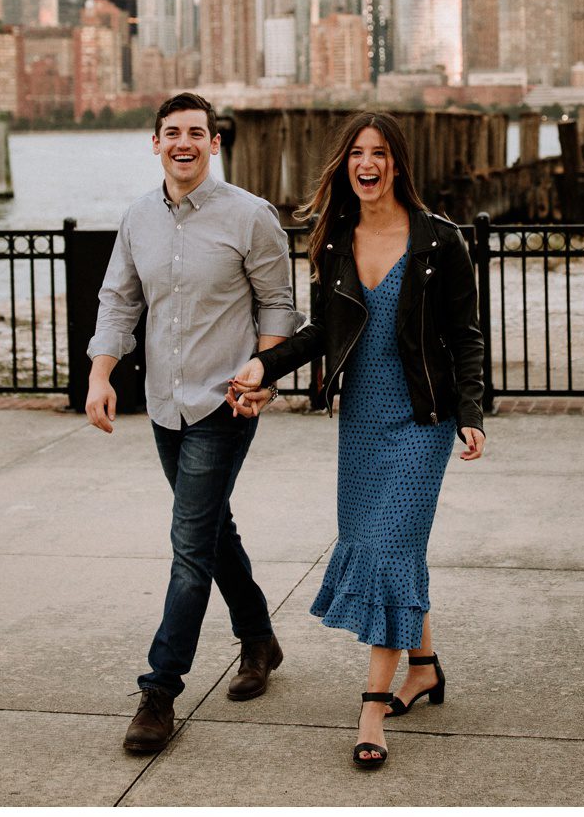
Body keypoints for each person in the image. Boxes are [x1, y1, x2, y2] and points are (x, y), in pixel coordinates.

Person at [227, 111, 487, 771]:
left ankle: (373, 707)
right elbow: (321, 333)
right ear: (346, 167)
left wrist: (471, 411)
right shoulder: (335, 240)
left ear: (397, 163)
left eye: (378, 153)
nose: (366, 164)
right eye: (355, 155)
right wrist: (265, 366)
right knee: (391, 551)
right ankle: (423, 669)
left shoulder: (440, 240)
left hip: (422, 423)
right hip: (362, 422)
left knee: (387, 547)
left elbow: (465, 335)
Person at [85, 91, 300, 756]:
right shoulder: (137, 219)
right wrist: (100, 375)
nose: (184, 142)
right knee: (209, 529)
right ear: (155, 143)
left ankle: (160, 689)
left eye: (196, 132)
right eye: (171, 132)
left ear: (215, 142)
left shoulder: (251, 217)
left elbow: (278, 306)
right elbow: (119, 299)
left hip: (225, 403)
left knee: (187, 544)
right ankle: (258, 636)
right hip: (163, 404)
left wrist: (264, 377)